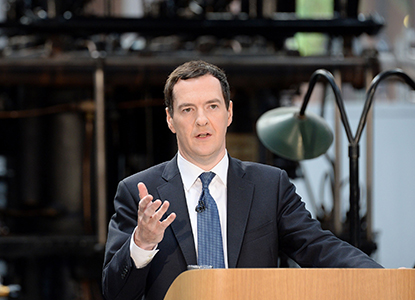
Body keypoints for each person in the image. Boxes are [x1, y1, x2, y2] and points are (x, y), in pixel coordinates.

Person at [102, 60, 383, 300]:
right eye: (188, 109)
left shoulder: (270, 186)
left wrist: (384, 279)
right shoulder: (139, 193)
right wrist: (142, 243)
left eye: (212, 106)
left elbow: (318, 247)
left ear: (229, 113)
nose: (201, 120)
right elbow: (115, 292)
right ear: (170, 119)